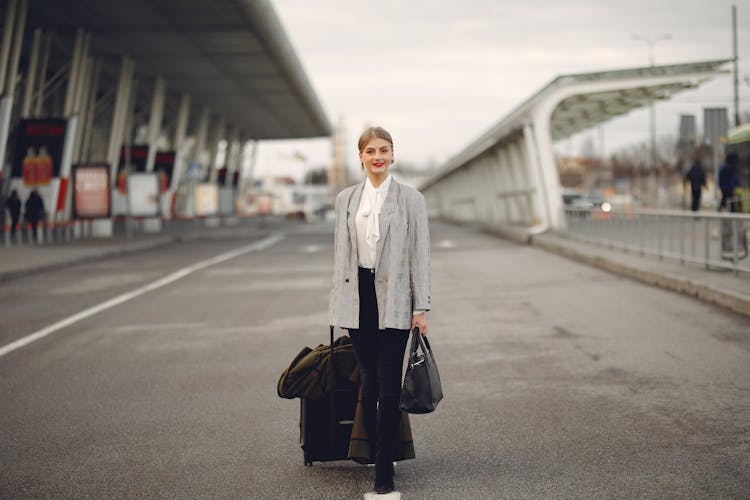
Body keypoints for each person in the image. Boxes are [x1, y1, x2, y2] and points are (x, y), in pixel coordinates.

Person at [329, 126, 431, 494]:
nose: (377, 156)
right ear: (360, 156)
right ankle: (374, 453)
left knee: (388, 386)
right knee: (368, 382)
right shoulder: (346, 199)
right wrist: (337, 307)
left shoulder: (411, 199)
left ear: (392, 155)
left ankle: (384, 472)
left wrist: (421, 308)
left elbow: (420, 256)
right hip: (358, 299)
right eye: (371, 150)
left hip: (396, 301)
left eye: (384, 150)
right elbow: (341, 258)